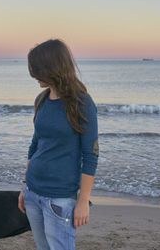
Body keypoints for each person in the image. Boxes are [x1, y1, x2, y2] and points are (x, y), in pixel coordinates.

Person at [18, 39, 99, 250]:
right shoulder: (41, 100)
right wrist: (25, 186)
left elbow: (90, 155)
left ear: (52, 68)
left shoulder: (82, 104)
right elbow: (35, 144)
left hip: (60, 199)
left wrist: (83, 201)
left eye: (37, 70)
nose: (33, 75)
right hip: (33, 192)